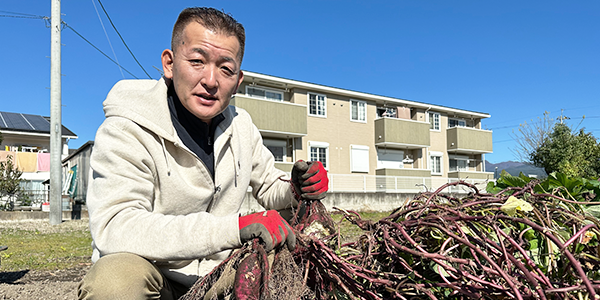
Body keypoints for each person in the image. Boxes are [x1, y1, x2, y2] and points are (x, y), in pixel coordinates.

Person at [77, 7, 328, 300]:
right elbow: (116, 227)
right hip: (158, 277)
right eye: (197, 61)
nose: (211, 80)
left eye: (225, 68)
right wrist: (232, 228)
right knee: (113, 282)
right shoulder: (127, 128)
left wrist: (297, 187)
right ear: (169, 64)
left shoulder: (241, 126)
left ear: (238, 80)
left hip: (220, 273)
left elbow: (270, 185)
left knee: (300, 260)